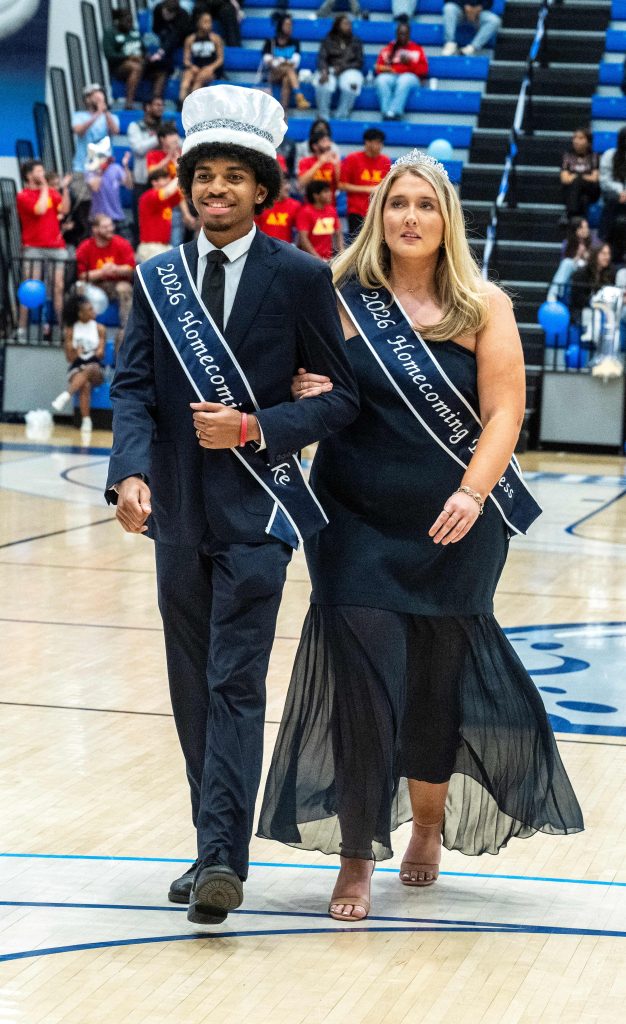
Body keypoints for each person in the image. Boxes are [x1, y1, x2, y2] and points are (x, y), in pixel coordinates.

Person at [258, 150, 583, 922]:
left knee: (434, 693)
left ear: (447, 221)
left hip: (454, 528)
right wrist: (307, 390)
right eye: (397, 203)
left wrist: (474, 495)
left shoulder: (484, 305)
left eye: (425, 206)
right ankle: (356, 854)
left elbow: (505, 413)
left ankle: (429, 824)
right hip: (353, 524)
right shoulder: (337, 293)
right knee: (364, 693)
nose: (410, 217)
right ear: (380, 215)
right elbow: (291, 385)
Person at [104, 83, 359, 927]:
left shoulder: (299, 275)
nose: (215, 190)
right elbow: (134, 388)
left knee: (234, 680)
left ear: (261, 188)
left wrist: (257, 424)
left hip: (258, 516)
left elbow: (340, 400)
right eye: (202, 177)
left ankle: (222, 857)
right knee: (190, 688)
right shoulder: (158, 277)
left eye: (232, 178)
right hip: (174, 511)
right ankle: (209, 841)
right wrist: (130, 473)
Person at [16, 159, 72, 338]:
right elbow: (39, 209)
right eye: (38, 171)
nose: (42, 173)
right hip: (34, 247)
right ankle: (22, 328)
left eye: (42, 170)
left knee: (58, 286)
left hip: (56, 246)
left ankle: (63, 328)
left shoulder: (51, 193)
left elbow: (63, 209)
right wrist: (46, 188)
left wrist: (64, 189)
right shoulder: (23, 195)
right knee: (30, 286)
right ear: (29, 175)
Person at [75, 214, 136, 348]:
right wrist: (102, 272)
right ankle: (81, 328)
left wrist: (116, 269)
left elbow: (131, 269)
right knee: (79, 288)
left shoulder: (121, 243)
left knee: (124, 288)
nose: (110, 229)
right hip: (95, 285)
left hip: (117, 283)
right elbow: (81, 275)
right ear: (95, 230)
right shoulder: (85, 247)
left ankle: (127, 330)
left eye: (111, 225)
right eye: (105, 226)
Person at [51, 294, 106, 438]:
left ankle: (67, 394)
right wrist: (77, 352)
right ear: (80, 313)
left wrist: (94, 351)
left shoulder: (99, 328)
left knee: (90, 368)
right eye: (89, 309)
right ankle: (86, 421)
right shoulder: (71, 330)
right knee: (85, 385)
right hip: (76, 366)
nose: (93, 311)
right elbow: (69, 358)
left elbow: (100, 354)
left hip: (95, 366)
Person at [339, 127, 391, 236]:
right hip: (356, 210)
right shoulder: (352, 159)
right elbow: (341, 185)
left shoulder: (385, 161)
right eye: (376, 142)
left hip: (376, 210)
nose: (379, 146)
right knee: (356, 242)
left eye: (381, 143)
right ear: (367, 142)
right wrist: (367, 189)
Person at [374, 19, 429, 121]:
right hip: (391, 75)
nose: (402, 36)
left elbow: (423, 70)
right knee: (381, 80)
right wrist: (386, 69)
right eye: (400, 34)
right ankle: (386, 112)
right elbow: (378, 67)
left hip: (411, 77)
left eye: (405, 34)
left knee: (404, 80)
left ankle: (395, 112)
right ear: (396, 34)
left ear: (409, 35)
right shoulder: (388, 49)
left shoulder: (417, 49)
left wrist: (410, 63)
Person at [128, 96, 165, 245]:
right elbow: (138, 149)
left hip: (161, 183)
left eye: (162, 105)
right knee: (140, 224)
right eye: (156, 104)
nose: (160, 108)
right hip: (142, 183)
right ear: (147, 107)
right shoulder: (135, 126)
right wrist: (159, 138)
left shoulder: (164, 127)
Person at [314, 16, 364, 121]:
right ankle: (323, 117)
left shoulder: (356, 41)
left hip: (349, 69)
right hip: (330, 69)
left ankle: (342, 116)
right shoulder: (328, 40)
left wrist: (343, 67)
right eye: (345, 24)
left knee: (352, 84)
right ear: (337, 26)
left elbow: (359, 62)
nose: (348, 26)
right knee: (323, 83)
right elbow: (322, 58)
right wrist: (324, 71)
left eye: (350, 24)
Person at [261, 13, 311, 116]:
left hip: (287, 73)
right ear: (280, 25)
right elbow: (267, 60)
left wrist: (279, 61)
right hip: (272, 75)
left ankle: (283, 111)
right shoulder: (270, 42)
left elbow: (296, 62)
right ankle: (299, 95)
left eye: (291, 25)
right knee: (289, 70)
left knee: (287, 79)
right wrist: (283, 62)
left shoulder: (295, 42)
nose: (290, 27)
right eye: (287, 24)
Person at [86, 139, 133, 235]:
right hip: (99, 218)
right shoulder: (90, 170)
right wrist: (100, 169)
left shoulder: (116, 168)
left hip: (117, 215)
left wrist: (125, 166)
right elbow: (95, 187)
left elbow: (129, 185)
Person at [147, 0, 193, 99]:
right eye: (164, 13)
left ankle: (171, 68)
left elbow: (176, 35)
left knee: (170, 42)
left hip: (182, 36)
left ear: (175, 13)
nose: (165, 16)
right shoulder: (158, 8)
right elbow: (156, 28)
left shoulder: (183, 15)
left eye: (168, 14)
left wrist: (161, 52)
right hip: (164, 33)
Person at [71, 84, 120, 175]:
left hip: (104, 168)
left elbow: (115, 131)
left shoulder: (112, 117)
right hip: (82, 168)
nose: (98, 98)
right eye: (93, 96)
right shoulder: (79, 116)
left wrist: (105, 112)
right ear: (87, 99)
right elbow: (79, 130)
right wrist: (98, 113)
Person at [102, 8, 145, 109]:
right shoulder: (110, 33)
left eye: (131, 21)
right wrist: (129, 57)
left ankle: (155, 102)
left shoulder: (134, 32)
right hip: (120, 66)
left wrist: (146, 57)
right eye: (127, 21)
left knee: (162, 70)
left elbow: (144, 49)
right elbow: (110, 55)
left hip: (140, 61)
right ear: (119, 21)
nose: (130, 23)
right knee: (136, 67)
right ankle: (129, 102)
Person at [136, 167, 183, 261]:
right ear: (154, 182)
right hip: (151, 247)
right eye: (165, 178)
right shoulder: (148, 196)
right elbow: (168, 191)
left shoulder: (167, 200)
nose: (169, 180)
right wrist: (181, 174)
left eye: (168, 178)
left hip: (165, 246)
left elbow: (182, 192)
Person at [179, 11, 224, 107]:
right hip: (196, 66)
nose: (209, 24)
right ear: (198, 23)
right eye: (205, 21)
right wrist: (192, 66)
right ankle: (181, 106)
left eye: (210, 22)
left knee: (199, 79)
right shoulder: (190, 39)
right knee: (186, 78)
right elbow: (186, 60)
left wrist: (210, 68)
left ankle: (193, 106)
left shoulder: (215, 38)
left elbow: (220, 59)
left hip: (210, 69)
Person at [547, 216, 591, 303]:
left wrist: (586, 255)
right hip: (574, 268)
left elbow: (594, 263)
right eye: (582, 227)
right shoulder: (568, 243)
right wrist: (578, 255)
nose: (586, 230)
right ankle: (553, 293)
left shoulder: (592, 243)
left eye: (586, 227)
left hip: (587, 269)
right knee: (567, 263)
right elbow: (564, 261)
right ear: (576, 229)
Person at [296, 179, 343, 261]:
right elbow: (304, 240)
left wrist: (342, 254)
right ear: (316, 195)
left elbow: (338, 234)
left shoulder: (331, 210)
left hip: (328, 259)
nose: (330, 194)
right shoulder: (305, 212)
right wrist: (318, 259)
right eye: (326, 192)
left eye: (329, 191)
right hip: (309, 260)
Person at [560, 127, 600, 221]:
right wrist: (584, 176)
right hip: (574, 192)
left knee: (577, 181)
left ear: (588, 141)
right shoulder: (568, 156)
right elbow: (564, 179)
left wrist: (576, 176)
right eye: (574, 138)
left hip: (591, 190)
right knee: (583, 199)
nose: (576, 141)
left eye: (581, 138)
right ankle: (580, 224)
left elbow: (594, 178)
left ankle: (569, 213)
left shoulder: (594, 156)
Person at [569, 242, 616, 321]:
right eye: (603, 254)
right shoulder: (581, 273)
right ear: (595, 255)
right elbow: (577, 298)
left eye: (608, 254)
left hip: (604, 309)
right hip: (583, 310)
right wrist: (594, 303)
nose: (607, 257)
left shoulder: (611, 273)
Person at [599, 126, 626, 262]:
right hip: (614, 195)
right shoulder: (610, 155)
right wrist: (620, 191)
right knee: (612, 201)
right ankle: (605, 239)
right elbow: (604, 180)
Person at [255, 172, 301, 243]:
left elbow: (301, 232)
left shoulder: (296, 206)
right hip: (263, 247)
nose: (288, 187)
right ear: (274, 185)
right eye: (284, 183)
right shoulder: (261, 204)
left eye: (288, 183)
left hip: (285, 250)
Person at [297, 128, 341, 201]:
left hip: (330, 206)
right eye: (324, 141)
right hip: (310, 205)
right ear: (315, 146)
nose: (328, 144)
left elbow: (340, 185)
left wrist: (337, 165)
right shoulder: (305, 161)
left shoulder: (334, 162)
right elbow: (301, 183)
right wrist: (319, 163)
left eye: (329, 141)